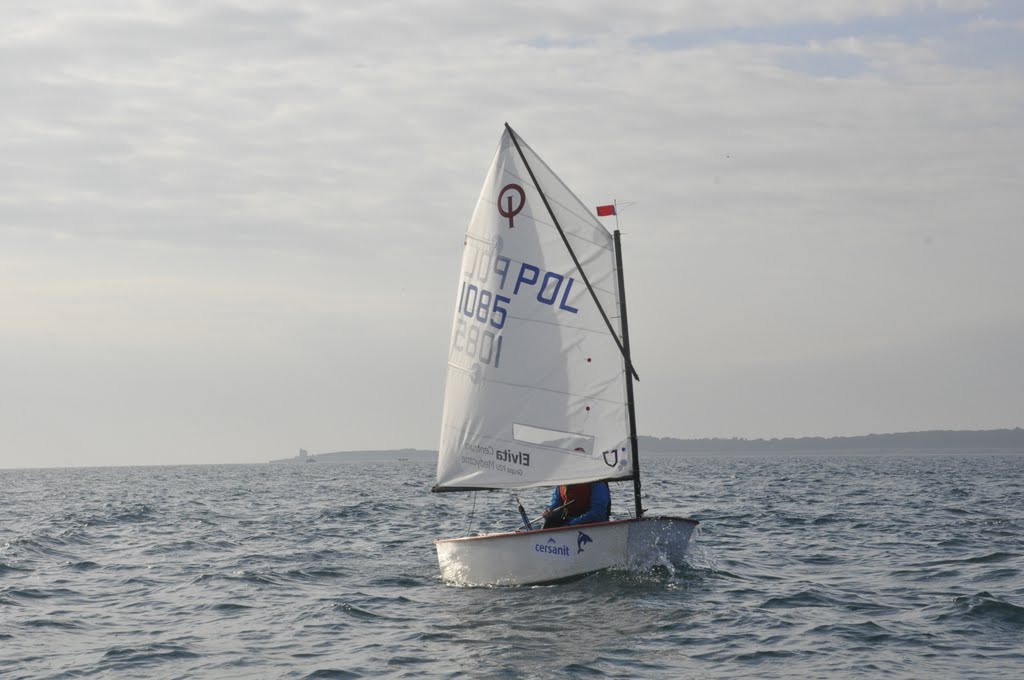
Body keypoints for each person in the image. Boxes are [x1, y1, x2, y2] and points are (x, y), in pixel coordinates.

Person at [541, 482, 610, 529]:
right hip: (567, 526)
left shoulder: (597, 483)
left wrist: (571, 525)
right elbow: (555, 504)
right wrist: (548, 511)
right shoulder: (561, 483)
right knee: (550, 520)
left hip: (592, 527)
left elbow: (598, 513)